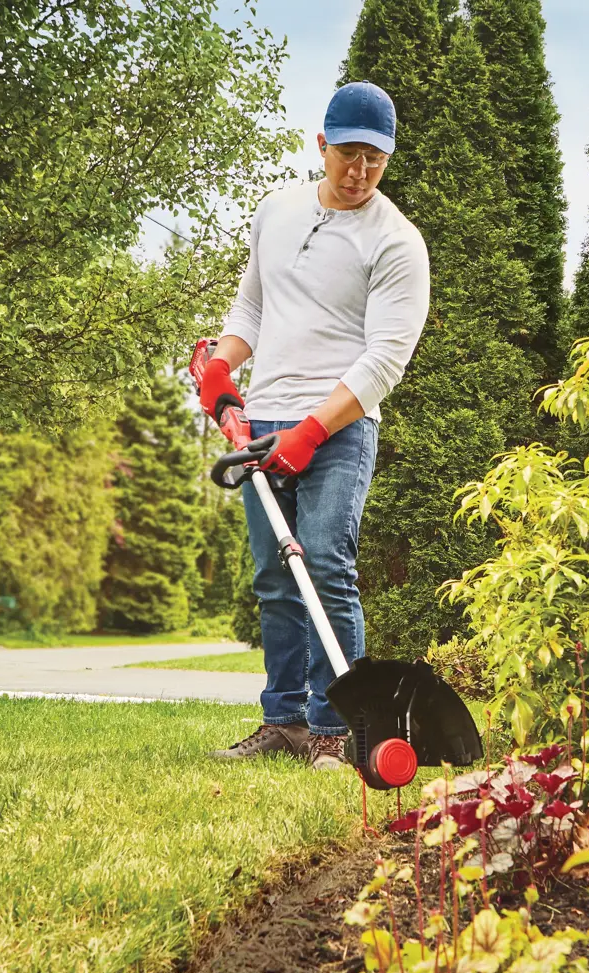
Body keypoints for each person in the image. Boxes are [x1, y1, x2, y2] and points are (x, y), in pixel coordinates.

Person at [199, 81, 430, 771]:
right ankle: (284, 721)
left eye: (376, 159)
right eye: (349, 154)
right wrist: (220, 363)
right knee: (274, 577)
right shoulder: (277, 210)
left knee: (326, 568)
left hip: (338, 428)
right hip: (262, 421)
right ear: (321, 144)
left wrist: (311, 432)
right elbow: (252, 308)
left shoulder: (396, 243)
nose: (360, 171)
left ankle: (337, 732)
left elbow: (384, 361)